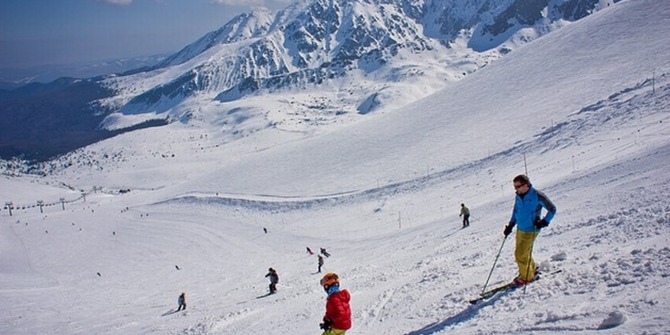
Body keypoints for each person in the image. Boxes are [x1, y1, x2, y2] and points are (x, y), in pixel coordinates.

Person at [503, 174, 557, 286]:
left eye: (518, 187)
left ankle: (527, 277)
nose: (516, 190)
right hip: (520, 229)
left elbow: (552, 209)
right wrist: (511, 224)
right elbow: (516, 210)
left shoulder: (537, 195)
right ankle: (532, 268)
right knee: (524, 253)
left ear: (526, 185)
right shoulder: (518, 195)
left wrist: (544, 221)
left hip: (531, 229)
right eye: (514, 187)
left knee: (520, 255)